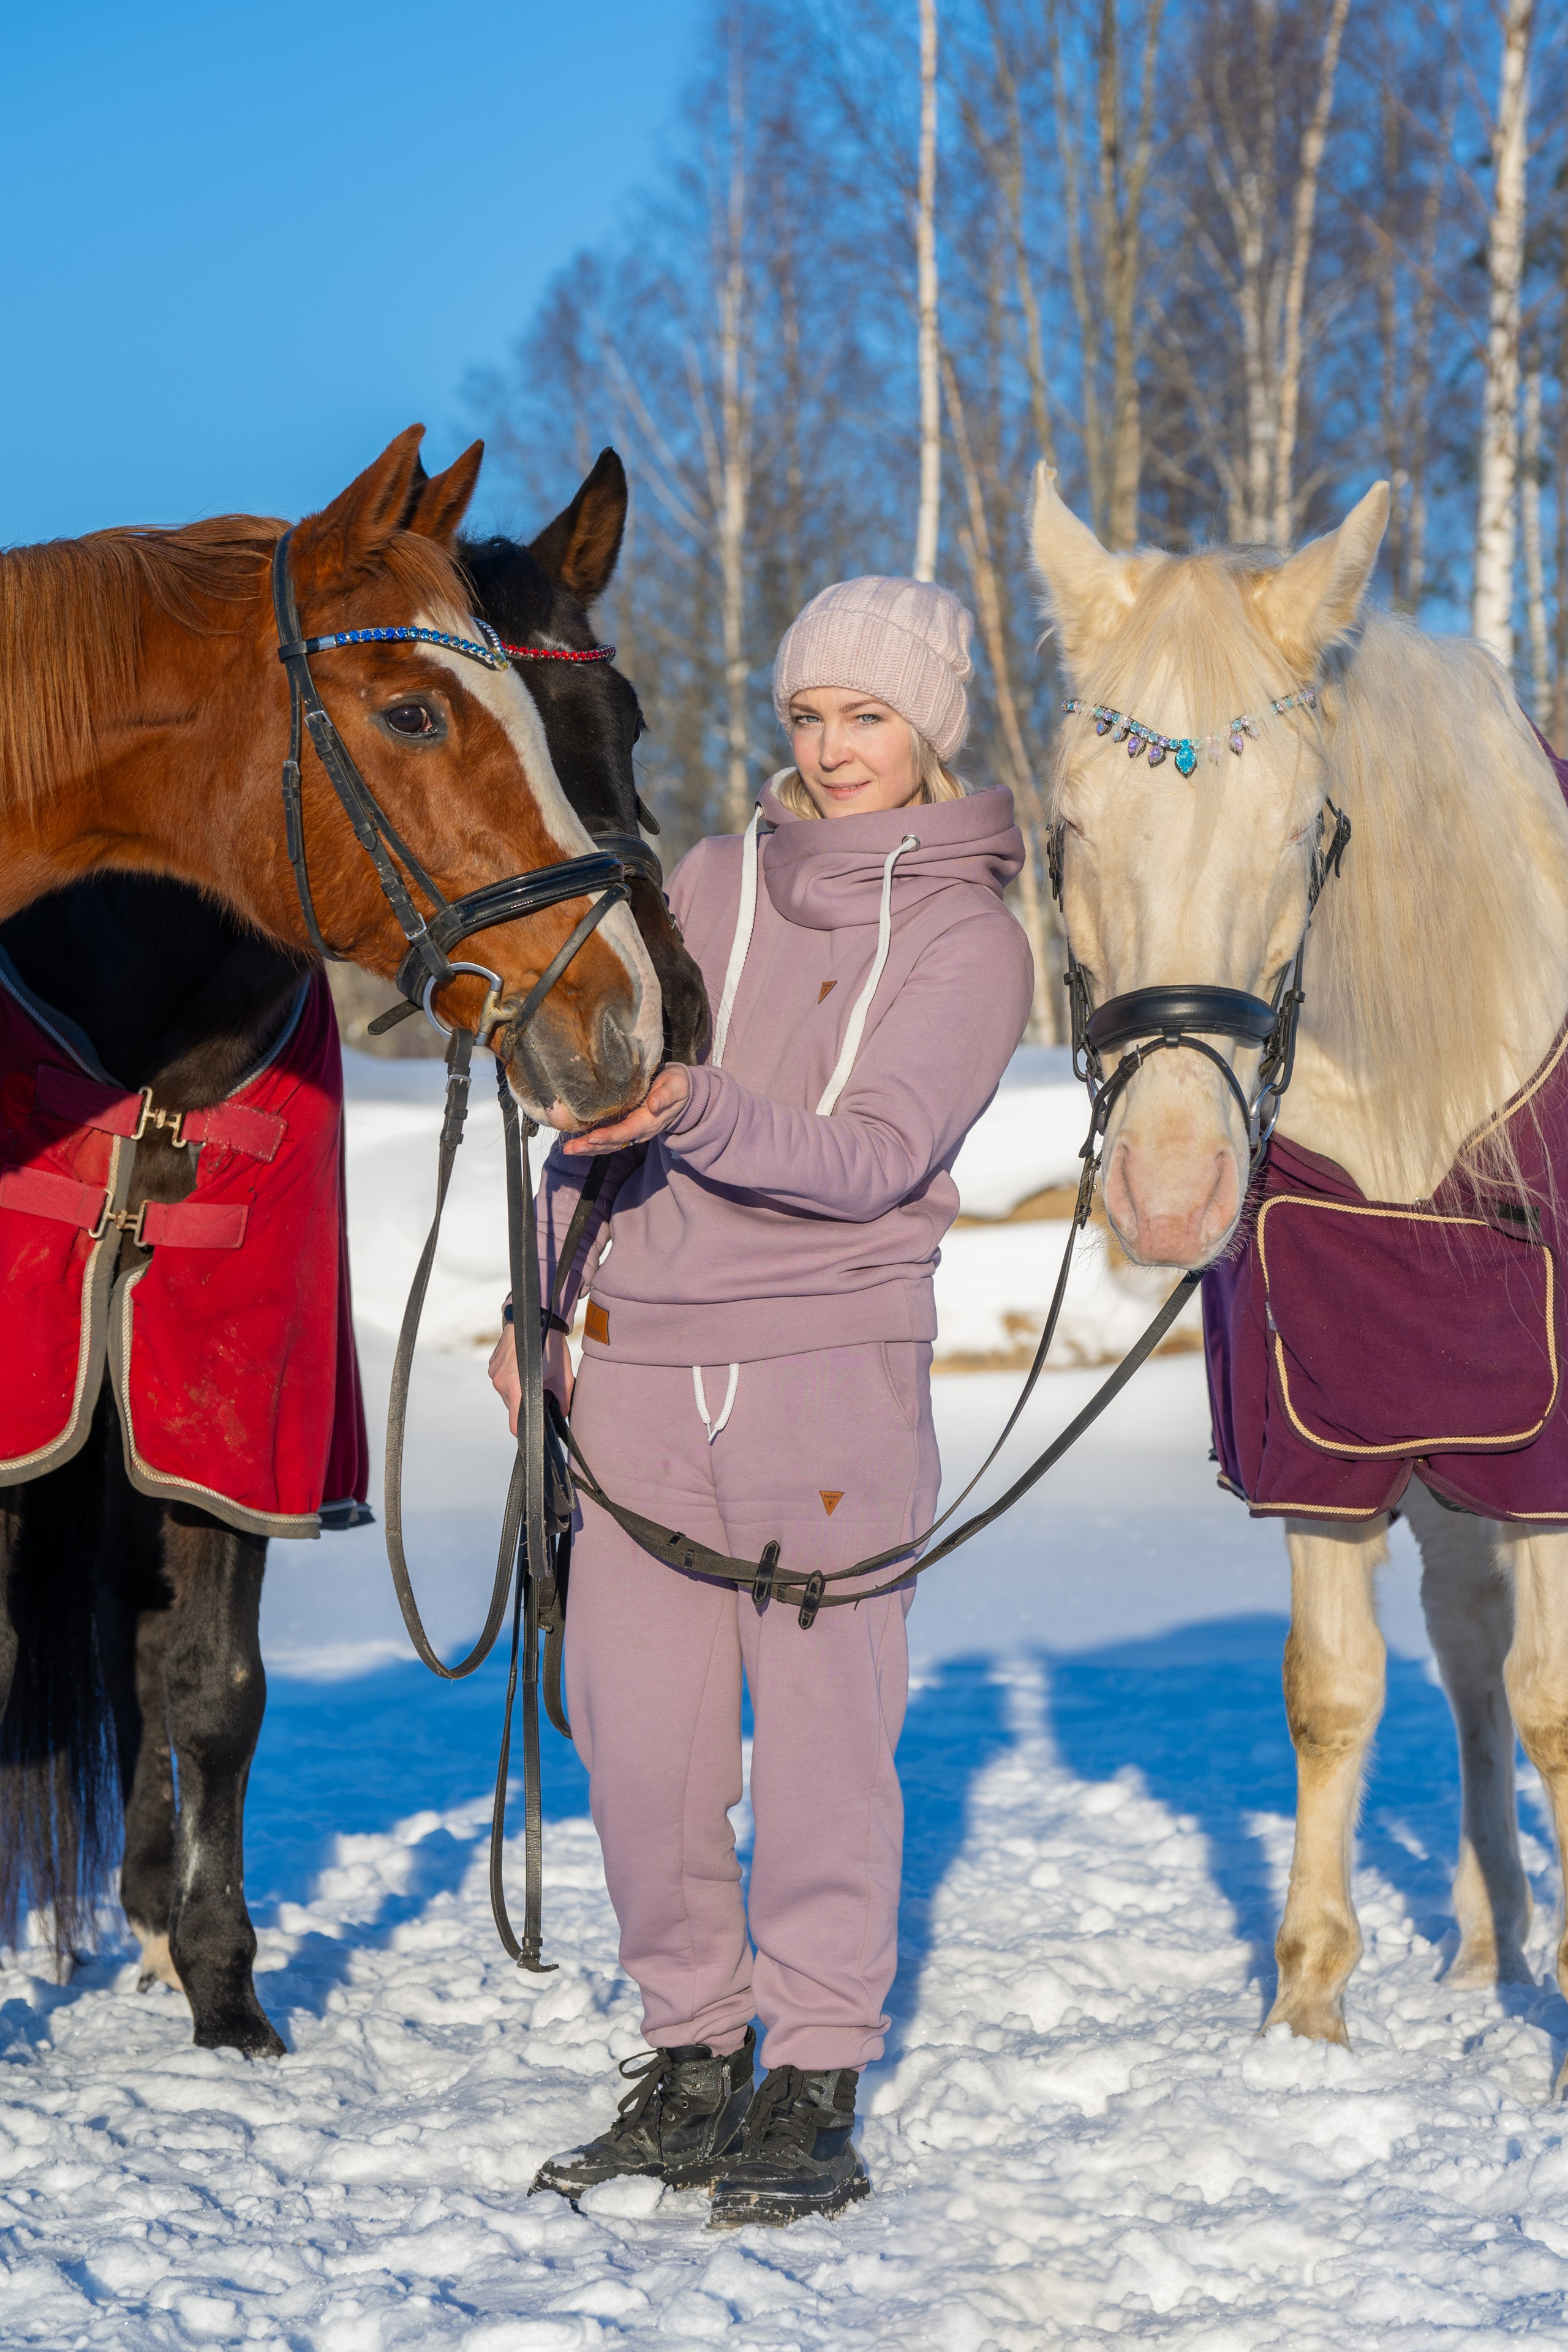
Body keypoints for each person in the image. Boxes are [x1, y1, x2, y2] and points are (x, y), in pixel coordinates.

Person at [489, 575, 1035, 2226]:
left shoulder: (970, 936)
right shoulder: (709, 878)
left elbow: (873, 1156)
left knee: (820, 1758)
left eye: (867, 715)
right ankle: (690, 2057)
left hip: (827, 1386)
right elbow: (589, 1106)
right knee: (643, 1756)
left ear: (930, 727)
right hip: (637, 1370)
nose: (832, 744)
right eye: (808, 714)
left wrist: (692, 1106)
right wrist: (537, 1295)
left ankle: (811, 2073)